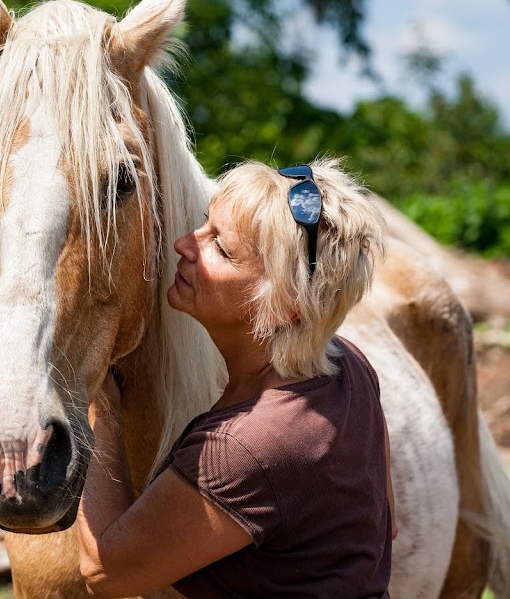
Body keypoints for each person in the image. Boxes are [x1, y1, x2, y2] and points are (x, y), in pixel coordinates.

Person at [77, 158, 396, 598]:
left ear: (284, 306)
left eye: (222, 249)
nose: (185, 244)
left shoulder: (246, 448)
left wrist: (101, 405)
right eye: (205, 225)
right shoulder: (349, 367)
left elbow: (103, 572)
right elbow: (385, 522)